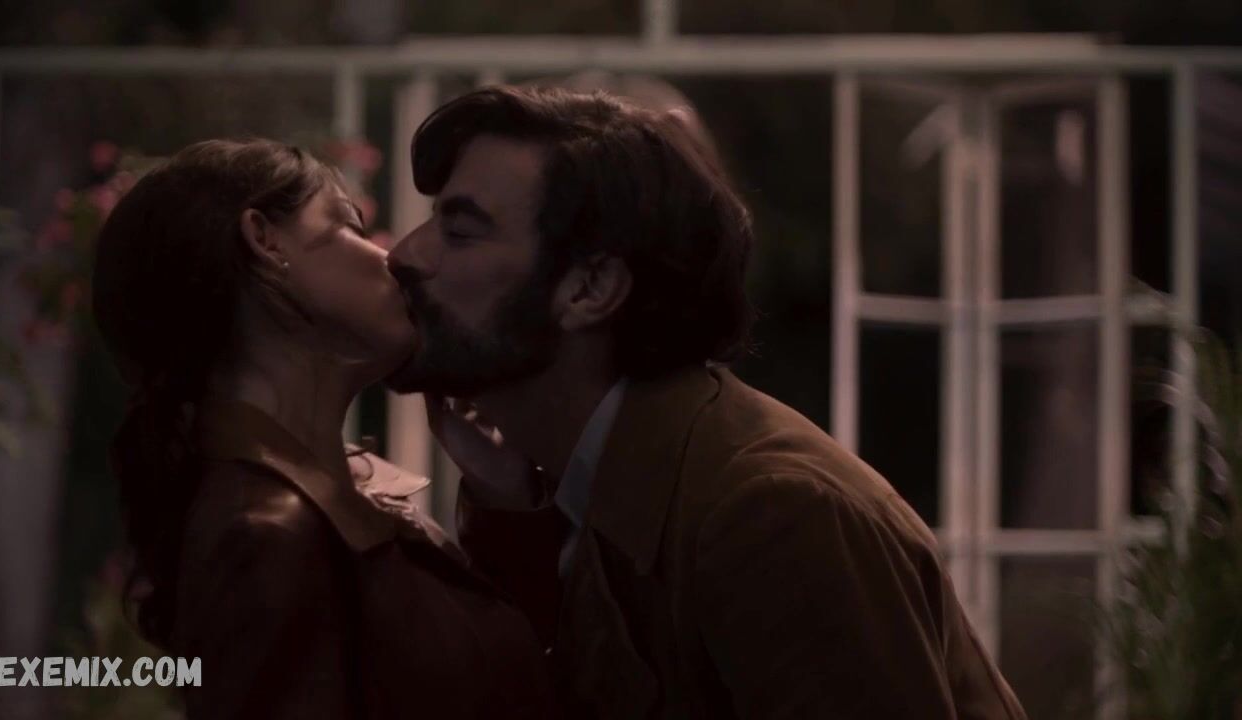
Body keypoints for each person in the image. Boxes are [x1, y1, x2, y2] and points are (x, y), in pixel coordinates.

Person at [386, 85, 1028, 719]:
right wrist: (513, 514)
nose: (404, 253)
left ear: (590, 288)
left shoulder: (771, 513)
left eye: (459, 231)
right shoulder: (598, 481)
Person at [91, 138, 555, 719]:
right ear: (265, 241)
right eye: (348, 226)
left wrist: (504, 500)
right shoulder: (264, 535)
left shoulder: (334, 498)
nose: (394, 258)